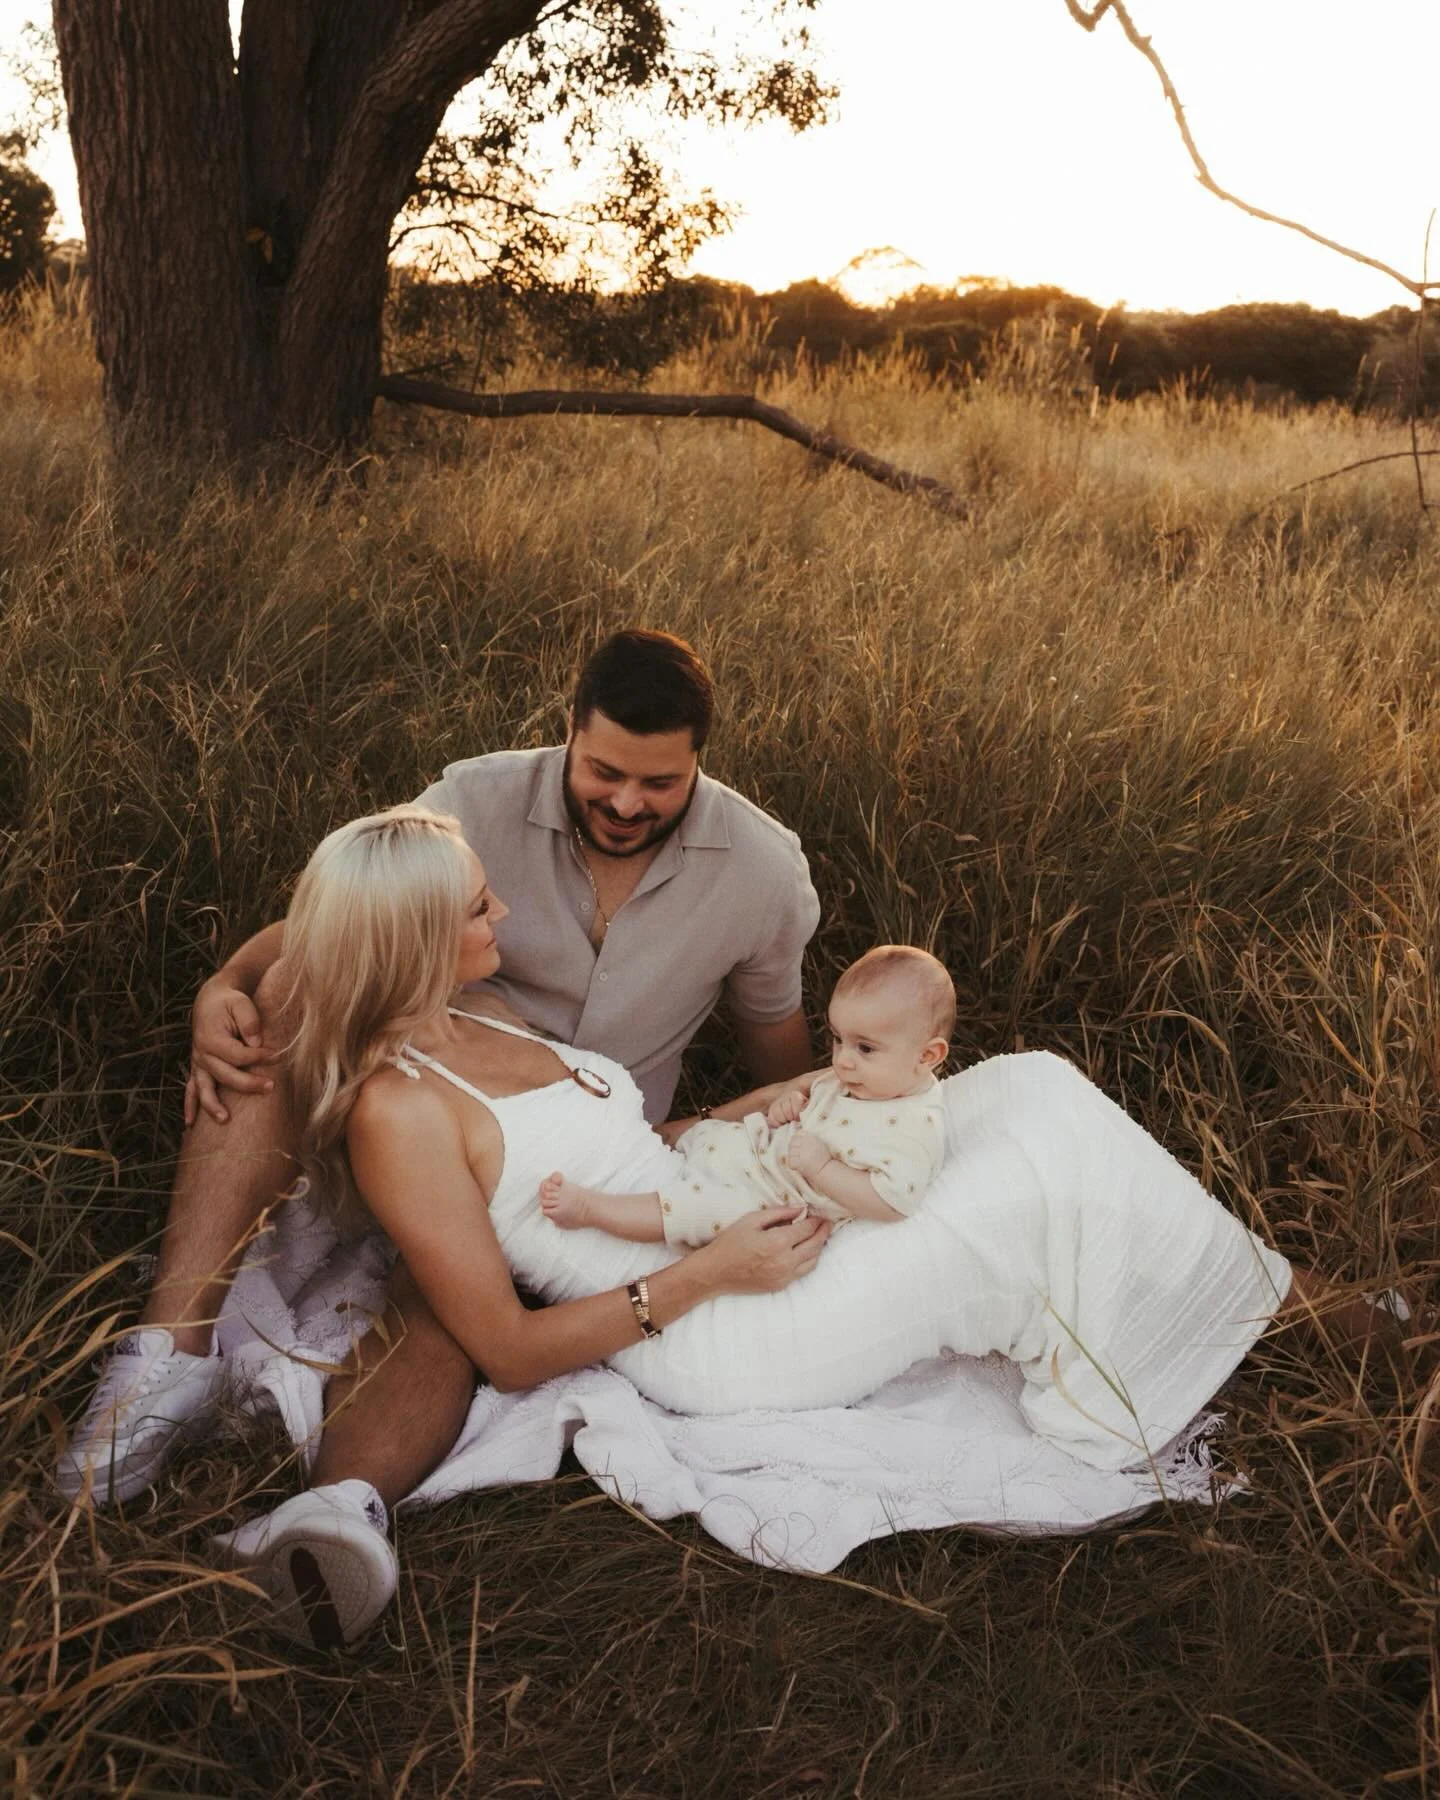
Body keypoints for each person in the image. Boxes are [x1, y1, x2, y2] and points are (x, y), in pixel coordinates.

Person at [187, 807, 1387, 1651]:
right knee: (1041, 1185)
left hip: (725, 1202)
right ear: (409, 942)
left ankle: (1265, 1300)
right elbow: (502, 1346)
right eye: (474, 905)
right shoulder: (405, 1109)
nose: (501, 906)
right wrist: (709, 1273)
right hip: (718, 1321)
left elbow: (306, 938)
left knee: (1032, 1089)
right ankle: (1324, 1321)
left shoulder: (471, 1009)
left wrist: (781, 1104)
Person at [57, 630, 820, 1507]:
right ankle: (169, 1355)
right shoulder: (474, 801)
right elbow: (355, 921)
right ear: (569, 729)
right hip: (423, 1078)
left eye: (660, 782)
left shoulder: (762, 868)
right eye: (604, 771)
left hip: (578, 1151)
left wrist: (776, 1139)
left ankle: (336, 1513)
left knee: (447, 1297)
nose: (626, 802)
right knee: (285, 992)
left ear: (700, 762)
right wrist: (222, 983)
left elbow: (774, 1034)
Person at [539, 945, 951, 1244]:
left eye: (864, 1048)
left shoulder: (917, 1125)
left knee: (693, 1210)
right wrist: (792, 1107)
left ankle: (593, 1210)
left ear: (927, 1055)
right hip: (754, 1150)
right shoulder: (862, 1077)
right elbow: (816, 1105)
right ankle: (611, 1154)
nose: (842, 1060)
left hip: (769, 1201)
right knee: (694, 1141)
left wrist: (823, 1168)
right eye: (837, 1039)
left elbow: (893, 1202)